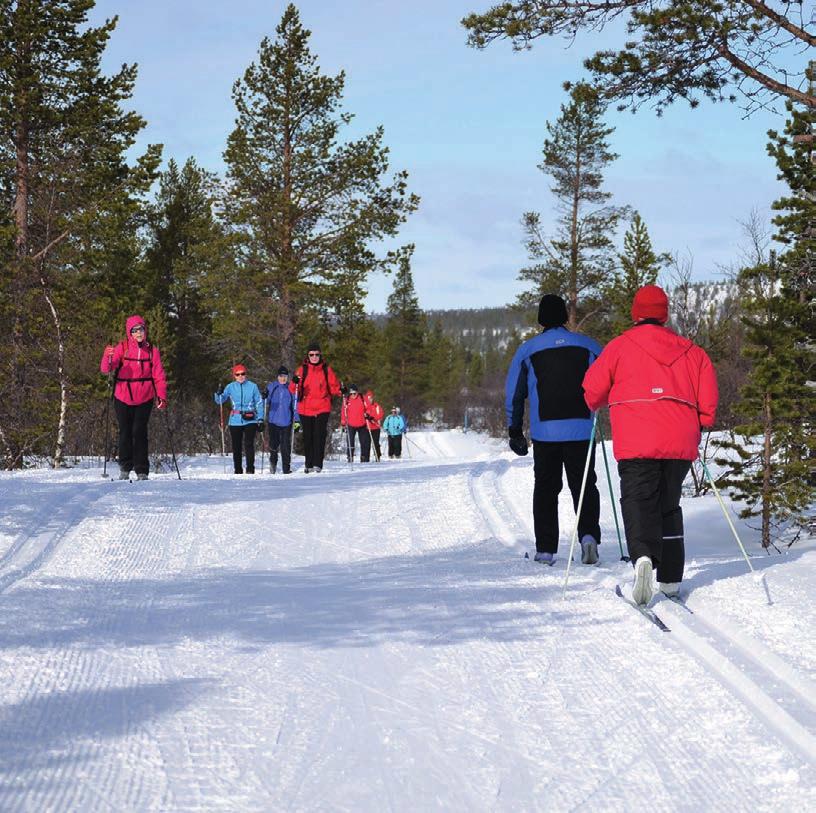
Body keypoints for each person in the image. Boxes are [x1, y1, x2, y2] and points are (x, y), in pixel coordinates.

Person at [583, 285, 718, 604]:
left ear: (635, 313)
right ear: (665, 314)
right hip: (679, 439)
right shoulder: (691, 351)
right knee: (669, 505)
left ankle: (643, 557)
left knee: (637, 499)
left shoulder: (618, 347)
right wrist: (702, 419)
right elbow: (708, 401)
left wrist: (601, 399)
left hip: (637, 438)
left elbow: (592, 392)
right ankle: (670, 578)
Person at [504, 294, 603, 565]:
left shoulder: (528, 350)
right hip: (582, 429)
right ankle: (588, 538)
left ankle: (546, 550)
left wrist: (514, 429)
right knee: (583, 486)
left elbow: (514, 392)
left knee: (546, 488)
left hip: (545, 431)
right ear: (564, 317)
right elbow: (606, 380)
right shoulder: (589, 346)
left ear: (540, 320)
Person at [100, 315, 167, 481]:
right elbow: (106, 369)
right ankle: (125, 467)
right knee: (125, 432)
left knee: (140, 432)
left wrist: (161, 396)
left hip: (144, 397)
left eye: (141, 329)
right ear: (130, 332)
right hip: (122, 396)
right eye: (135, 330)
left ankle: (142, 470)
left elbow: (159, 376)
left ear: (145, 331)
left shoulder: (153, 352)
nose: (139, 333)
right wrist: (107, 357)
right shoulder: (122, 348)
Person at [292, 343, 341, 473]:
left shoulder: (326, 369)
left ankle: (318, 463)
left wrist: (342, 390)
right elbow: (293, 389)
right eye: (311, 354)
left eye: (316, 354)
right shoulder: (302, 369)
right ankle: (308, 463)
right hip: (305, 407)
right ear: (308, 356)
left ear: (320, 355)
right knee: (308, 436)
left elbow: (334, 386)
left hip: (322, 406)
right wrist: (294, 382)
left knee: (319, 435)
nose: (314, 357)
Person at [214, 364, 265, 474]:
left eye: (243, 374)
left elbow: (259, 402)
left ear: (246, 374)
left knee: (249, 444)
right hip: (235, 419)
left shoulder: (253, 386)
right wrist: (218, 393)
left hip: (250, 418)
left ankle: (250, 469)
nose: (241, 376)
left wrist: (260, 419)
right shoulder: (230, 387)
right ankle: (238, 470)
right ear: (234, 376)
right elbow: (220, 401)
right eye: (238, 374)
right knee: (236, 446)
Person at [265, 366, 298, 474]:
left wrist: (297, 421)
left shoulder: (291, 388)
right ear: (277, 376)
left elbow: (295, 405)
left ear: (287, 377)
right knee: (274, 445)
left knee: (285, 446)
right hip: (273, 421)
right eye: (280, 376)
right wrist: (264, 396)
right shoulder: (272, 387)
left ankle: (286, 468)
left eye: (285, 376)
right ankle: (273, 464)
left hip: (286, 421)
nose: (282, 379)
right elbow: (266, 401)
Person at [340, 385, 371, 462]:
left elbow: (369, 408)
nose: (353, 395)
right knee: (350, 442)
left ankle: (364, 457)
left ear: (357, 392)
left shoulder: (362, 398)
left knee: (364, 442)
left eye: (354, 393)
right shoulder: (347, 400)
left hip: (362, 423)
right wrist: (343, 422)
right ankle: (350, 457)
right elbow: (343, 411)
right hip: (351, 424)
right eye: (351, 393)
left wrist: (367, 413)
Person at [364, 390, 384, 461]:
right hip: (367, 428)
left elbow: (381, 415)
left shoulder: (377, 406)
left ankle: (377, 456)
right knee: (367, 443)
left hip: (376, 427)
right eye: (368, 398)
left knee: (375, 443)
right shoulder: (364, 407)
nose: (370, 400)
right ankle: (366, 458)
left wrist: (373, 418)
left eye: (371, 398)